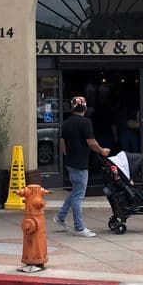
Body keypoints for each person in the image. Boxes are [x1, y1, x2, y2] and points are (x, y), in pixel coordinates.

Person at [55, 95, 109, 237]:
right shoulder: (85, 122)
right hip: (80, 164)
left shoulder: (66, 123)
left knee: (75, 192)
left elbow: (62, 143)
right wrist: (102, 151)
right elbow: (91, 142)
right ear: (85, 108)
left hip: (71, 163)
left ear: (72, 107)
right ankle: (79, 228)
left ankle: (60, 217)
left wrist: (69, 155)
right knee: (78, 196)